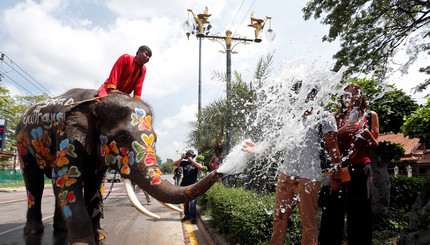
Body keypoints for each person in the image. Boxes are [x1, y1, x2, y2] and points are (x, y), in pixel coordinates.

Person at [242, 87, 342, 245]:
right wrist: (258, 147)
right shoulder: (292, 118)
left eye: (299, 93)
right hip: (286, 174)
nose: (295, 97)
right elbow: (277, 139)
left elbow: (333, 148)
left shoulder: (324, 116)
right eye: (294, 94)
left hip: (309, 177)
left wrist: (337, 176)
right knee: (279, 219)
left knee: (308, 225)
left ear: (310, 94)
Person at [319, 83, 379, 245]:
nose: (349, 97)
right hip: (338, 169)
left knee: (360, 213)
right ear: (342, 97)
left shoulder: (369, 115)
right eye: (346, 94)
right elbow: (325, 141)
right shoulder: (334, 117)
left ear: (360, 97)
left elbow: (374, 145)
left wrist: (366, 135)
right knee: (331, 212)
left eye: (353, 94)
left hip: (361, 168)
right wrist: (341, 131)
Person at [173, 150, 203, 224]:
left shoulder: (197, 163)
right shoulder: (184, 163)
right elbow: (174, 164)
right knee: (185, 201)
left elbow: (200, 167)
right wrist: (181, 158)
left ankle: (193, 217)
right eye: (187, 156)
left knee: (192, 202)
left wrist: (192, 161)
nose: (188, 157)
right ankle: (187, 215)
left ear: (192, 156)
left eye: (190, 155)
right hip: (184, 185)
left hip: (193, 185)